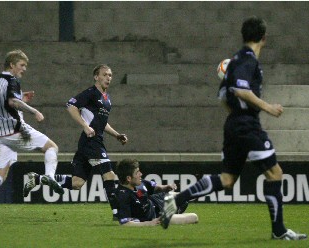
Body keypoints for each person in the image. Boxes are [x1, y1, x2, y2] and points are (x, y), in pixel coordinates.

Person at [161, 16, 307, 241]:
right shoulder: (247, 60)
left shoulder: (234, 62)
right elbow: (240, 90)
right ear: (264, 38)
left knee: (227, 179)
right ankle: (279, 231)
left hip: (233, 124)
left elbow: (222, 97)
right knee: (275, 173)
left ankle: (177, 200)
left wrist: (235, 116)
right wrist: (267, 107)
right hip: (247, 125)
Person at [24, 64, 128, 219]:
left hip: (89, 142)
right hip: (92, 142)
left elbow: (101, 122)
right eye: (105, 74)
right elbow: (70, 105)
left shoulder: (106, 99)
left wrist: (116, 135)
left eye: (110, 75)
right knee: (110, 175)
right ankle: (117, 214)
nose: (108, 78)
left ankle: (38, 178)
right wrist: (85, 126)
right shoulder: (90, 93)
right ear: (96, 77)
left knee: (77, 183)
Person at [0, 49, 64, 224]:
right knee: (51, 147)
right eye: (22, 65)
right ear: (12, 65)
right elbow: (12, 102)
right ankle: (49, 176)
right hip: (15, 131)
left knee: (0, 173)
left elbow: (3, 101)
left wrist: (22, 97)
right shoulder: (12, 80)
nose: (24, 69)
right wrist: (34, 110)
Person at [115, 158, 198, 227]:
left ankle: (176, 209)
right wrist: (148, 223)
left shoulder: (139, 182)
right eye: (137, 172)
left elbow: (154, 186)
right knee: (194, 217)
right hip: (158, 217)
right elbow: (125, 223)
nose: (141, 174)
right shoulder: (123, 196)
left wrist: (165, 187)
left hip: (156, 201)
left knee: (185, 196)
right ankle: (174, 213)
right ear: (129, 178)